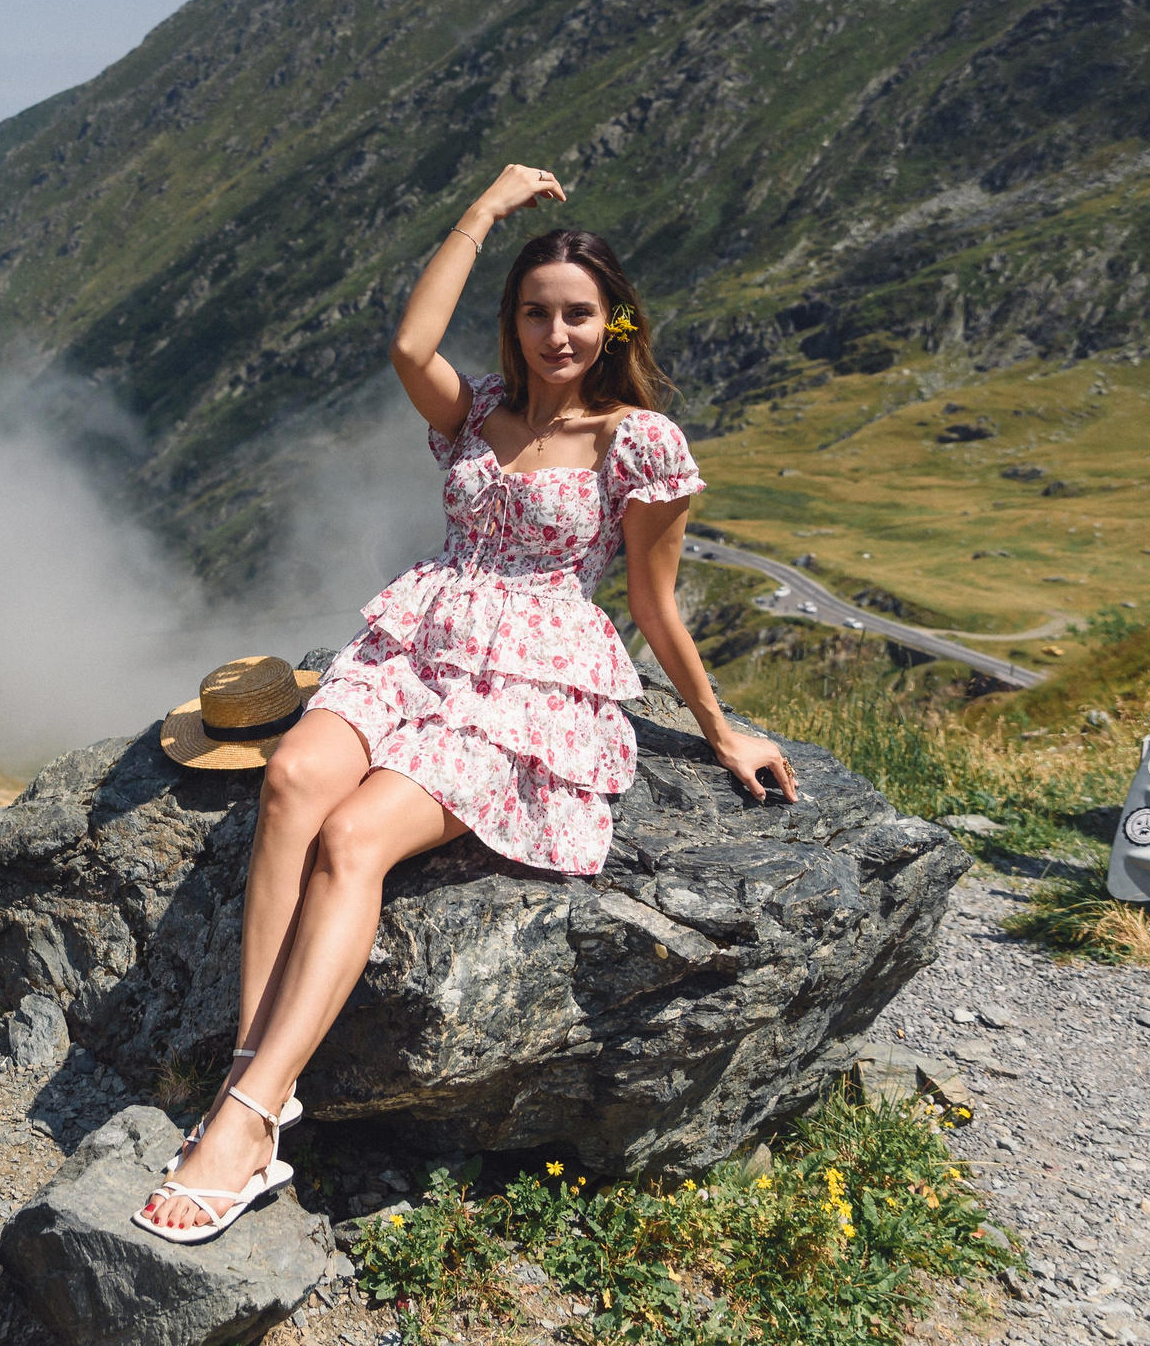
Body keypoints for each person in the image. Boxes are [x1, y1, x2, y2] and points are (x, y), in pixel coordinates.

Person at [136, 163, 794, 1242]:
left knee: (353, 837)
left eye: (577, 313)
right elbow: (409, 346)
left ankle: (244, 1120)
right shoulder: (479, 407)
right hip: (418, 637)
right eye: (535, 312)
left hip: (530, 674)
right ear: (512, 321)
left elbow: (652, 600)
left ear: (613, 321)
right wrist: (484, 211)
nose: (556, 333)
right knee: (292, 776)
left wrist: (720, 729)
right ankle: (256, 1080)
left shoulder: (638, 439)